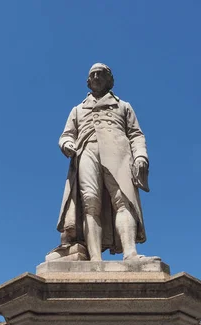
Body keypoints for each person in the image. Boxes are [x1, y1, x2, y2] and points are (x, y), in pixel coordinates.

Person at [51, 63, 158, 262]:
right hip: (87, 151)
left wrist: (141, 156)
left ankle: (130, 253)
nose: (97, 77)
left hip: (119, 153)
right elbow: (66, 135)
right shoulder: (77, 109)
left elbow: (136, 134)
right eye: (93, 74)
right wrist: (67, 143)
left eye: (102, 74)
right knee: (90, 203)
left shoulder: (123, 106)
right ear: (88, 82)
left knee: (123, 201)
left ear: (110, 80)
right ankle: (95, 259)